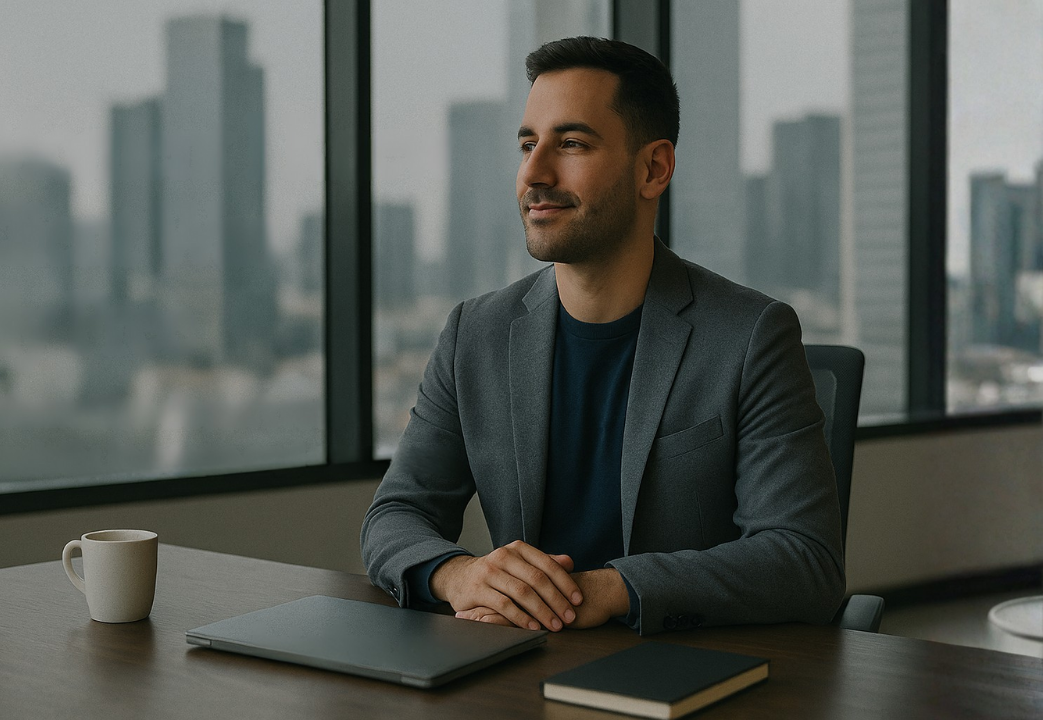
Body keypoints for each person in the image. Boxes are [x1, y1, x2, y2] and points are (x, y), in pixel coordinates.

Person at [359, 37, 845, 636]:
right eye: (527, 145)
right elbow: (395, 516)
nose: (534, 173)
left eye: (571, 144)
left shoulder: (751, 336)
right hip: (519, 666)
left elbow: (804, 560)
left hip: (682, 670)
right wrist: (461, 575)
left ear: (653, 168)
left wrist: (613, 589)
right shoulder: (474, 334)